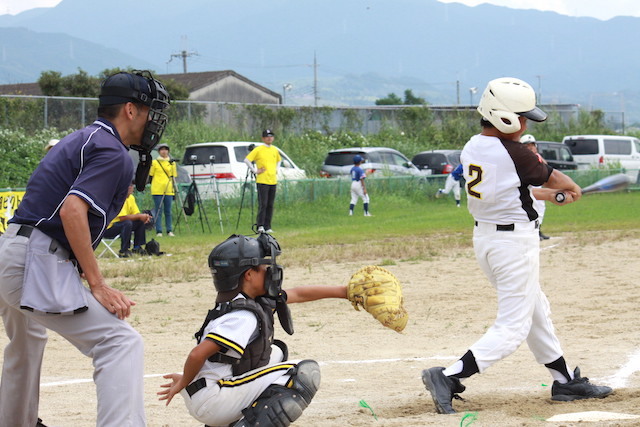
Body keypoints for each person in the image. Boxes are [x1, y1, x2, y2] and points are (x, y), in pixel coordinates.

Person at [421, 77, 612, 414]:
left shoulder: (473, 146)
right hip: (513, 245)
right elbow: (557, 180)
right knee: (514, 325)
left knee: (536, 310)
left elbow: (516, 189)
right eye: (522, 117)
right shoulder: (517, 152)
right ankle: (449, 376)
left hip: (488, 241)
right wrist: (570, 189)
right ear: (504, 116)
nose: (525, 124)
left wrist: (551, 194)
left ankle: (565, 381)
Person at [0, 70, 170, 427]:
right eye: (148, 110)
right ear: (129, 110)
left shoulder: (82, 138)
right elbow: (72, 210)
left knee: (27, 342)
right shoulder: (112, 150)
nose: (153, 120)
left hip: (13, 251)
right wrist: (97, 283)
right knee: (119, 343)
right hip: (33, 261)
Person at [158, 233, 347, 426]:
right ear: (249, 274)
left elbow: (298, 293)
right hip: (213, 401)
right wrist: (184, 381)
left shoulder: (240, 301)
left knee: (275, 353)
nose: (270, 271)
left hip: (211, 393)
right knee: (303, 372)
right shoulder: (243, 317)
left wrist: (344, 292)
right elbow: (197, 354)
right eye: (264, 267)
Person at [244, 129, 281, 233]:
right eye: (267, 137)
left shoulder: (274, 150)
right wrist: (255, 170)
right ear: (263, 138)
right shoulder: (259, 149)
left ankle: (268, 226)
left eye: (271, 136)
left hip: (272, 180)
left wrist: (277, 170)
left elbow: (279, 160)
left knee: (270, 204)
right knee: (263, 204)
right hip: (262, 180)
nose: (269, 138)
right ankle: (260, 225)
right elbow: (247, 160)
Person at [102, 182, 153, 257]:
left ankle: (137, 247)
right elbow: (122, 218)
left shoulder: (131, 198)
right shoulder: (118, 198)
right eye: (128, 185)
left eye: (131, 185)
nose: (130, 187)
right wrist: (140, 216)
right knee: (127, 223)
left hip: (122, 225)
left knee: (139, 221)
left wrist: (145, 217)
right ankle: (124, 250)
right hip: (109, 228)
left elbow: (136, 214)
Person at [520, 134, 550, 240]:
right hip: (528, 188)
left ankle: (538, 230)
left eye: (532, 145)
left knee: (541, 208)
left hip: (539, 187)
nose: (530, 148)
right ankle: (532, 231)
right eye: (527, 146)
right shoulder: (522, 159)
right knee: (532, 209)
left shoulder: (538, 157)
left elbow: (547, 168)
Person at [149, 143, 177, 237]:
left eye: (166, 149)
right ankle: (159, 230)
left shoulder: (172, 163)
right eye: (162, 149)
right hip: (157, 189)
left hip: (169, 189)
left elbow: (173, 176)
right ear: (159, 151)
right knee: (158, 210)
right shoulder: (154, 162)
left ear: (168, 151)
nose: (164, 151)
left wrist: (174, 190)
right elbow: (151, 176)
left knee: (168, 211)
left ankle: (169, 230)